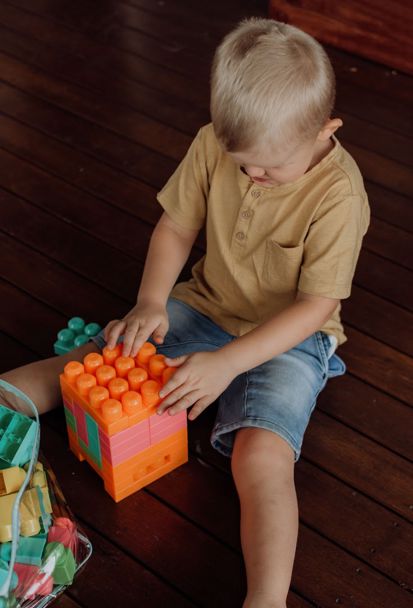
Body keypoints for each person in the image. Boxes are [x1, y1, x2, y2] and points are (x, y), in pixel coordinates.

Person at [0, 18, 370, 608]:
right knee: (92, 361)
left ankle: (266, 599)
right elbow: (177, 224)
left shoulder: (339, 196)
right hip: (204, 307)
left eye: (269, 169)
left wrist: (226, 364)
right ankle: (4, 402)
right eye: (242, 162)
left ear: (327, 131)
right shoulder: (212, 143)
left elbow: (316, 307)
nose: (253, 176)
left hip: (294, 339)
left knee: (263, 453)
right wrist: (151, 302)